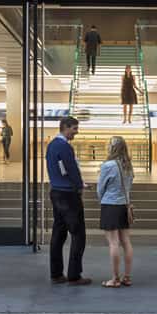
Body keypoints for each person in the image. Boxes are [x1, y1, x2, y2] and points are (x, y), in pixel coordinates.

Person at [46, 115, 91, 285]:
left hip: (56, 192)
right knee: (78, 234)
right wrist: (80, 185)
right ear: (65, 127)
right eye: (74, 128)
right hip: (68, 195)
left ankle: (56, 274)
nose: (76, 132)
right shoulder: (65, 147)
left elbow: (59, 170)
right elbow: (71, 169)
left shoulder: (51, 146)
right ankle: (74, 275)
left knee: (58, 233)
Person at [97, 135, 135, 288]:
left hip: (110, 205)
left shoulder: (108, 165)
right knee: (126, 242)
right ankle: (127, 277)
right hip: (124, 206)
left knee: (113, 243)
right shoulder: (128, 165)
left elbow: (101, 187)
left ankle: (115, 279)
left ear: (112, 148)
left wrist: (101, 199)